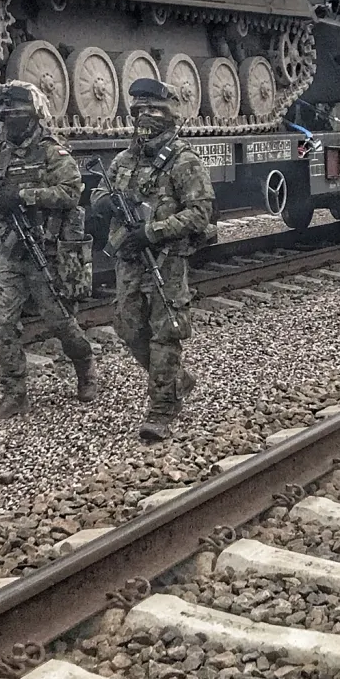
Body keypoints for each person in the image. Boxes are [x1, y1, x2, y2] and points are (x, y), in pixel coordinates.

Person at [0, 81, 97, 420]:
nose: (10, 120)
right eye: (6, 115)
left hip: (44, 250)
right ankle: (15, 394)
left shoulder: (51, 152)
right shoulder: (1, 153)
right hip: (12, 251)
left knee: (59, 320)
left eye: (17, 114)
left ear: (33, 116)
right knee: (3, 322)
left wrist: (24, 196)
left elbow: (70, 193)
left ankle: (85, 365)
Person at [92, 78, 216, 442]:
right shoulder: (123, 160)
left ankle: (162, 408)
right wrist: (105, 204)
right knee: (127, 327)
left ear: (170, 115)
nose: (145, 117)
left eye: (154, 110)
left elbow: (200, 213)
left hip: (165, 258)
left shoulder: (184, 161)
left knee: (166, 333)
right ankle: (178, 380)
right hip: (129, 258)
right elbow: (98, 196)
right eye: (139, 110)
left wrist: (153, 231)